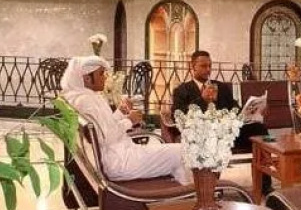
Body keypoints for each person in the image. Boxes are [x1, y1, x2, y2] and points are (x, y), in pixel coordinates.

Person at [61, 56, 188, 184]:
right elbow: (104, 137)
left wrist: (120, 112)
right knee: (183, 152)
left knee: (178, 153)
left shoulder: (86, 97)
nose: (105, 77)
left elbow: (105, 126)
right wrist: (130, 121)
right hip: (120, 161)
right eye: (101, 73)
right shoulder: (86, 102)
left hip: (120, 153)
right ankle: (184, 191)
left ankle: (180, 191)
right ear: (87, 78)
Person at [172, 50, 272, 193]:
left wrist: (254, 111)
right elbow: (179, 115)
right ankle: (211, 188)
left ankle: (264, 186)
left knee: (259, 128)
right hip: (203, 137)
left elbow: (235, 109)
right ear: (192, 67)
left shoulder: (221, 87)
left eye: (210, 66)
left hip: (228, 134)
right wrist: (202, 100)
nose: (208, 70)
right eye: (203, 66)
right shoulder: (182, 90)